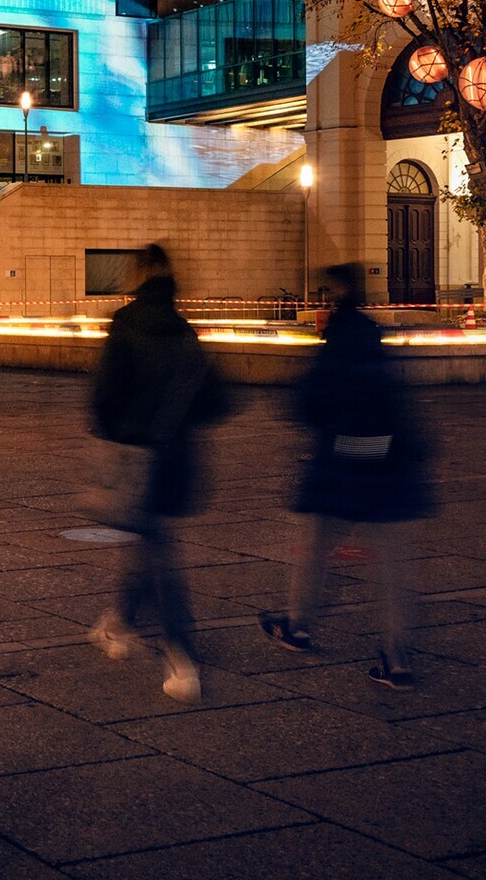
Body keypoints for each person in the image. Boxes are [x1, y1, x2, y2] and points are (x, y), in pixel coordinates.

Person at [260, 263, 433, 690]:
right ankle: (396, 656)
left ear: (333, 297)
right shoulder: (372, 339)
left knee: (317, 543)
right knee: (391, 561)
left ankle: (298, 627)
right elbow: (394, 398)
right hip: (384, 458)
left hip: (341, 458)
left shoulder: (336, 342)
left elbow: (309, 402)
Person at [86, 244, 231, 703]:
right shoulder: (185, 330)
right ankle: (119, 624)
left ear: (143, 272)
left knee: (159, 553)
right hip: (177, 458)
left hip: (137, 457)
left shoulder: (127, 324)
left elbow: (103, 399)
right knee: (149, 541)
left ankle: (182, 656)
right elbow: (217, 401)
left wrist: (120, 432)